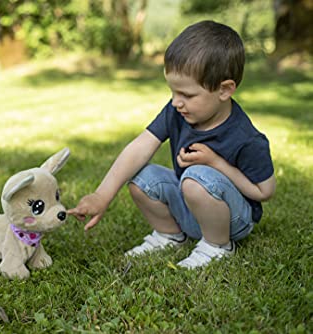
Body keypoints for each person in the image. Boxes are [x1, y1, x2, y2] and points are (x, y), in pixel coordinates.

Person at [68, 20, 276, 269]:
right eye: (173, 92)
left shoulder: (246, 137)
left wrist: (215, 163)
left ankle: (218, 245)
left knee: (196, 177)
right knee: (141, 177)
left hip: (232, 220)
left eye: (186, 95)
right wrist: (102, 195)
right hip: (191, 206)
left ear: (224, 90)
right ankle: (170, 234)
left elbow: (265, 192)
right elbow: (140, 147)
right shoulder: (178, 112)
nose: (177, 102)